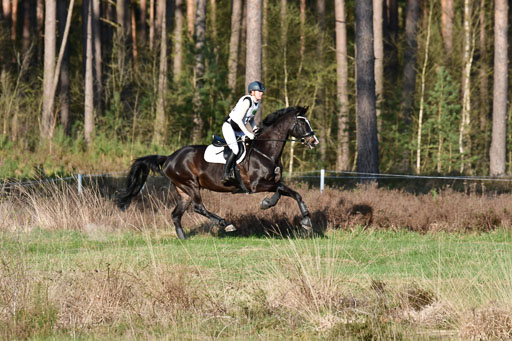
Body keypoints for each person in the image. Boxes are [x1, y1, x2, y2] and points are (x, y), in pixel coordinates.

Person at [221, 81, 265, 184]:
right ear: (252, 92)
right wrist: (247, 133)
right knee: (235, 149)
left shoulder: (256, 103)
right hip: (229, 127)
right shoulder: (247, 101)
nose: (261, 93)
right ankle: (225, 174)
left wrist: (254, 128)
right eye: (259, 91)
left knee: (249, 146)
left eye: (262, 91)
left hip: (239, 129)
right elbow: (239, 120)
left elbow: (251, 118)